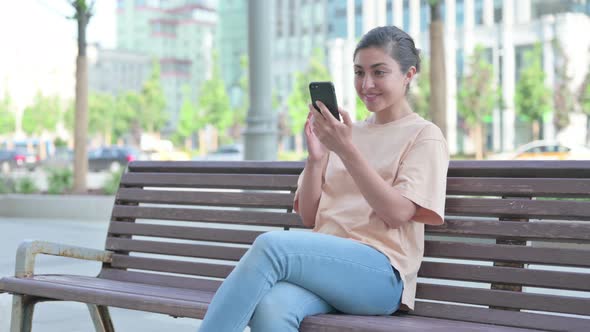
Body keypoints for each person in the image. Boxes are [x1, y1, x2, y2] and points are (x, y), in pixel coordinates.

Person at [199, 25, 449, 332]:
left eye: (379, 72)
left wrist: (345, 150)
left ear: (409, 75)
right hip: (325, 267)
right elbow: (309, 216)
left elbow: (397, 214)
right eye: (359, 72)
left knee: (271, 247)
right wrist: (317, 158)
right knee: (272, 307)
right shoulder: (344, 133)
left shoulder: (424, 136)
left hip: (380, 275)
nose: (366, 83)